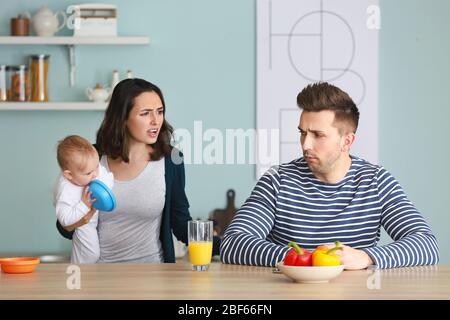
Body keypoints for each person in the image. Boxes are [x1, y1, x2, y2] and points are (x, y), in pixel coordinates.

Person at [220, 82, 439, 269]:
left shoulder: (376, 182)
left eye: (318, 135)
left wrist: (365, 257)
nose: (306, 144)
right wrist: (310, 261)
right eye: (302, 133)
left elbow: (426, 245)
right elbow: (232, 243)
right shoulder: (277, 180)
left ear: (347, 141)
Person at [56, 78, 219, 262]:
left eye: (159, 112)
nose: (155, 121)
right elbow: (65, 227)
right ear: (123, 117)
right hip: (100, 278)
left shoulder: (172, 160)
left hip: (154, 276)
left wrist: (225, 245)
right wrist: (83, 216)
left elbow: (180, 223)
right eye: (145, 113)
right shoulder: (92, 158)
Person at [53, 135, 114, 264]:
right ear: (69, 175)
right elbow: (65, 220)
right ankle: (77, 276)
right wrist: (83, 205)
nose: (95, 174)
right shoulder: (65, 190)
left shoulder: (92, 168)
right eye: (88, 173)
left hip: (94, 217)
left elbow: (108, 177)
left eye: (96, 167)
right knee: (90, 254)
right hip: (83, 222)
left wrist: (103, 190)